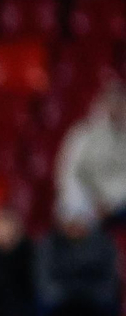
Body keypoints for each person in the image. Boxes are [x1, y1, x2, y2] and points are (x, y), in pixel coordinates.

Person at [55, 79, 126, 228]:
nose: (115, 109)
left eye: (119, 104)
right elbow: (68, 174)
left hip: (119, 204)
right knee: (71, 216)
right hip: (88, 204)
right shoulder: (82, 134)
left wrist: (111, 203)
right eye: (110, 103)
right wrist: (92, 203)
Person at [36, 215, 123, 316]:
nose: (75, 225)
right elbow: (44, 282)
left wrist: (89, 292)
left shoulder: (104, 243)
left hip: (95, 299)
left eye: (80, 220)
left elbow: (110, 282)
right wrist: (65, 293)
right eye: (71, 220)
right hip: (60, 300)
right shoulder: (50, 244)